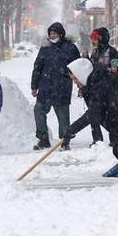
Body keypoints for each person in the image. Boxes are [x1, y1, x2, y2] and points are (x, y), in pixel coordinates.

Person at [31, 22, 80, 150]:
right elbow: (37, 68)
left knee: (63, 116)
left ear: (61, 34)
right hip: (45, 88)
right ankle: (43, 138)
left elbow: (78, 67)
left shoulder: (70, 48)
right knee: (38, 111)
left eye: (54, 33)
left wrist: (79, 83)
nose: (52, 36)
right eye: (50, 34)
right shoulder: (45, 48)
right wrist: (34, 86)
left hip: (62, 88)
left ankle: (64, 140)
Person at [87, 27, 118, 144]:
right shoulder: (95, 52)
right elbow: (92, 69)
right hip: (96, 91)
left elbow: (115, 72)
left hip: (110, 91)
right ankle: (97, 139)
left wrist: (102, 68)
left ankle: (115, 138)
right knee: (94, 115)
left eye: (95, 38)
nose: (93, 41)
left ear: (102, 38)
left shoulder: (113, 53)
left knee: (111, 116)